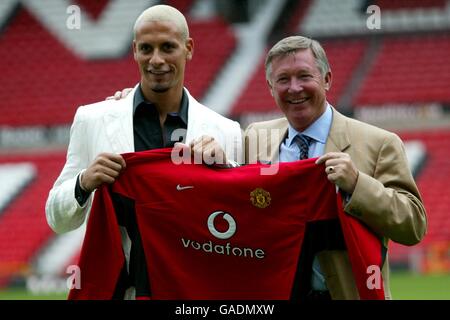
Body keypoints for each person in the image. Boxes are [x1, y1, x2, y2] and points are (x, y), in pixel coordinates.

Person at [45, 5, 242, 298]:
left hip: (194, 295)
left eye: (168, 47)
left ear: (188, 48)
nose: (157, 60)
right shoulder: (92, 120)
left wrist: (226, 172)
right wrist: (84, 182)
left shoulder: (226, 131)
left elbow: (242, 230)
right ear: (135, 50)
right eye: (147, 48)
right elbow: (57, 219)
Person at [244, 36, 427, 299]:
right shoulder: (255, 137)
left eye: (304, 76)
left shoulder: (379, 143)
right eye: (283, 79)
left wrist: (357, 185)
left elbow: (413, 226)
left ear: (327, 79)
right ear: (270, 87)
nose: (294, 88)